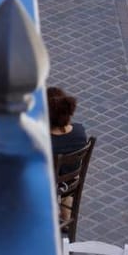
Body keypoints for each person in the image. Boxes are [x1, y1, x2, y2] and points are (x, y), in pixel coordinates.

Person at [48, 85, 90, 228]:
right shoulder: (80, 132)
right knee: (66, 176)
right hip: (70, 184)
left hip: (46, 186)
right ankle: (65, 218)